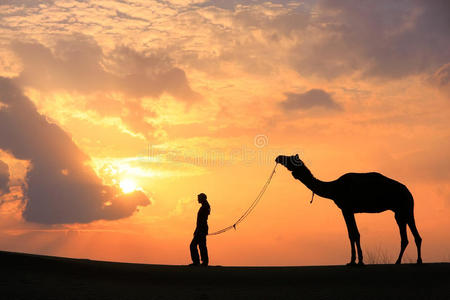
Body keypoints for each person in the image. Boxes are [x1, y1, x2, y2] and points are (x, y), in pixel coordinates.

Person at [189, 193, 210, 266]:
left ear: (202, 198)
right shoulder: (205, 206)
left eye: (199, 198)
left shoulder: (205, 207)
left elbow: (202, 220)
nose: (197, 199)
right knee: (202, 245)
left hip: (201, 229)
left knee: (193, 245)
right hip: (202, 228)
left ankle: (198, 262)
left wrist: (198, 230)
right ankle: (204, 262)